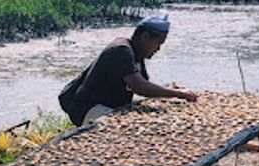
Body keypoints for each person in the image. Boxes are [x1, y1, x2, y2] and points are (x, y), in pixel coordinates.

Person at [58, 14, 198, 127]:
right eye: (158, 43)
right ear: (145, 37)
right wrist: (178, 94)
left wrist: (171, 89)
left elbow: (146, 84)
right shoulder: (121, 50)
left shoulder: (137, 53)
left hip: (109, 106)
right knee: (132, 128)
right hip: (89, 108)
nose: (158, 49)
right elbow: (139, 87)